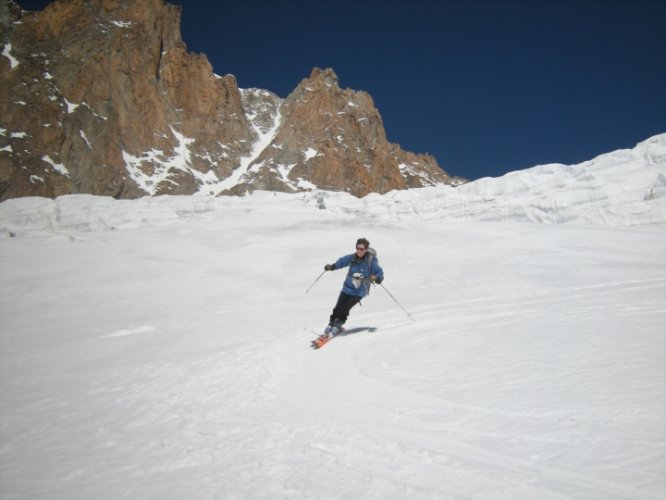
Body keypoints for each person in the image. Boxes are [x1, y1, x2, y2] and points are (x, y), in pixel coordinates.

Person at [322, 237, 384, 337]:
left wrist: (377, 278)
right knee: (338, 307)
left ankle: (338, 324)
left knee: (345, 308)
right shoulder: (353, 257)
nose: (359, 251)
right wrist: (332, 266)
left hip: (359, 291)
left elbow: (379, 272)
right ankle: (331, 323)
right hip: (347, 287)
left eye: (362, 249)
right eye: (357, 248)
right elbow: (342, 261)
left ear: (366, 249)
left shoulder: (370, 262)